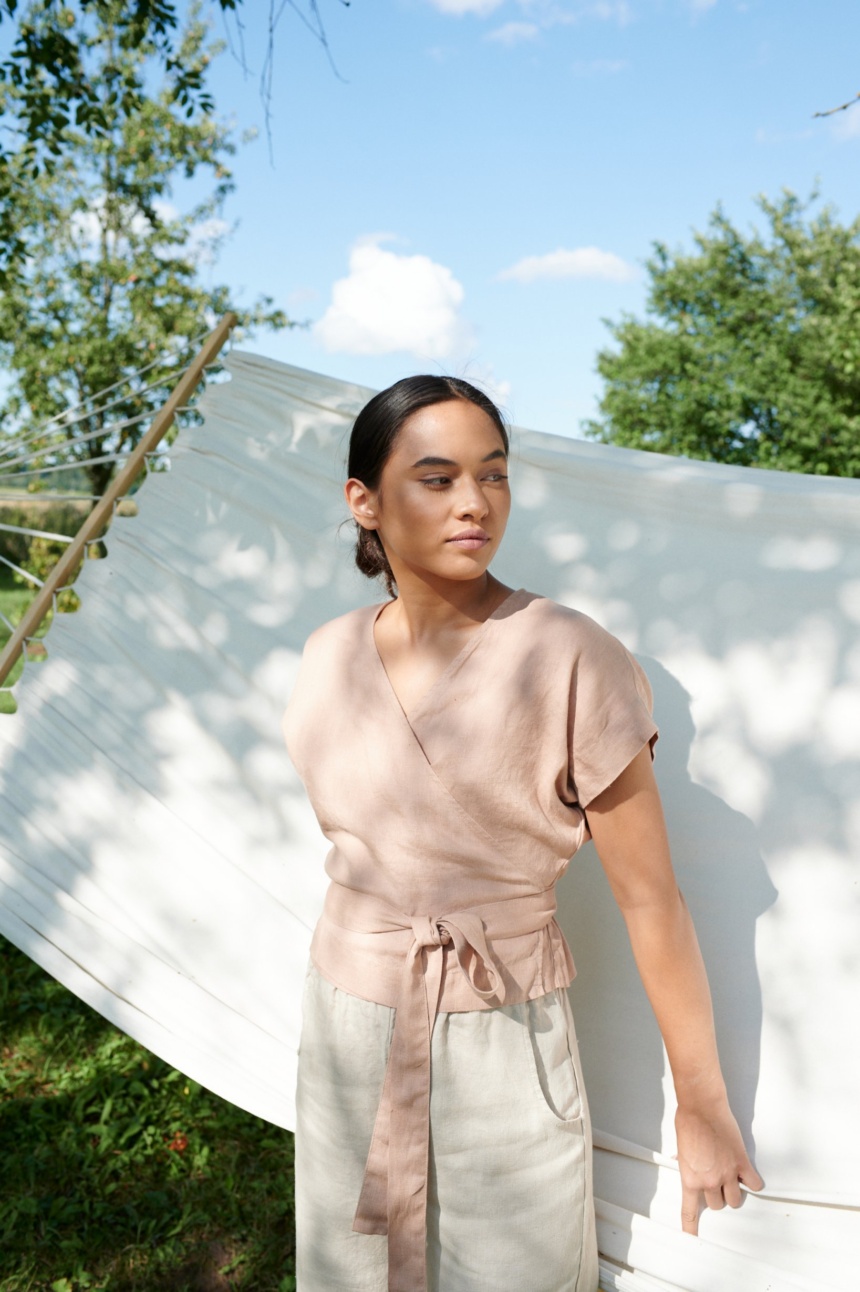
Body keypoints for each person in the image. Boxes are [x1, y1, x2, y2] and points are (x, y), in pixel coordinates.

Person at [282, 375, 763, 1292]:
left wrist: (701, 1102)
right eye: (437, 478)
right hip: (347, 1020)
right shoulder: (327, 655)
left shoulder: (571, 655)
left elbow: (652, 898)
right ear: (364, 502)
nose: (475, 504)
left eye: (494, 476)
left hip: (503, 1029)